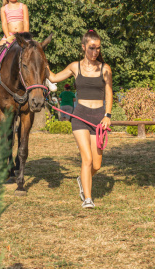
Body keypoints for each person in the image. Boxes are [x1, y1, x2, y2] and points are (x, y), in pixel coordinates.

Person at [48, 30, 113, 209]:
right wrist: (41, 60)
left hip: (99, 117)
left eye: (98, 48)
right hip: (80, 115)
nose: (95, 52)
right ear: (84, 47)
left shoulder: (105, 68)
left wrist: (107, 115)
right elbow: (53, 77)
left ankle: (82, 179)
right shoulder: (75, 67)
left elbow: (108, 92)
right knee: (87, 159)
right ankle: (88, 198)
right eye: (92, 48)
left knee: (97, 165)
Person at [0, 1, 57, 92]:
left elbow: (26, 21)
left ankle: (48, 78)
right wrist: (7, 37)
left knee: (37, 51)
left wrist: (25, 36)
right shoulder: (3, 9)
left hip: (23, 36)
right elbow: (4, 23)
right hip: (9, 35)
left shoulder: (23, 6)